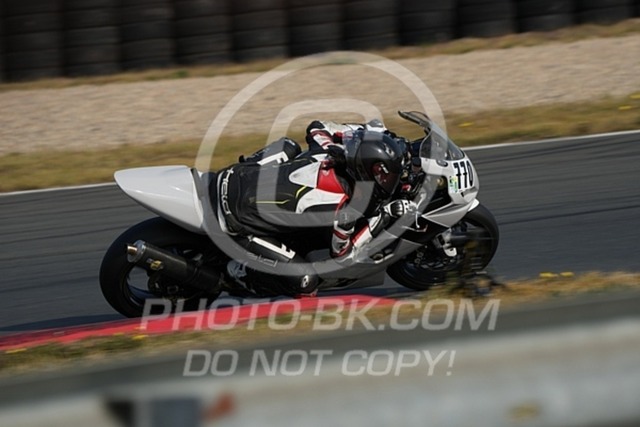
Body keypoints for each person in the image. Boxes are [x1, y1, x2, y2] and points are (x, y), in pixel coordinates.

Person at [215, 119, 416, 297]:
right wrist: (385, 214)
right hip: (236, 220)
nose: (388, 181)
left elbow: (317, 127)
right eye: (384, 176)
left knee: (288, 145)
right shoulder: (344, 209)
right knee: (306, 282)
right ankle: (237, 274)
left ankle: (247, 168)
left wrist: (363, 131)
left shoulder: (325, 150)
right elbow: (343, 255)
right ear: (364, 173)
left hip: (235, 175)